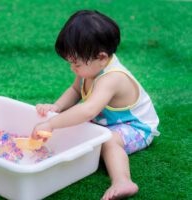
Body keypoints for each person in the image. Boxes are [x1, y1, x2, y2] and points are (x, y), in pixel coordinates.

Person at [31, 10, 160, 200]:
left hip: (136, 128)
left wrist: (51, 123)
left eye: (76, 63)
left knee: (108, 141)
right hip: (105, 122)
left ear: (101, 58)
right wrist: (56, 107)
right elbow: (75, 91)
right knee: (72, 126)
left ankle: (122, 181)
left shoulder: (113, 78)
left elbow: (88, 109)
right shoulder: (89, 68)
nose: (72, 68)